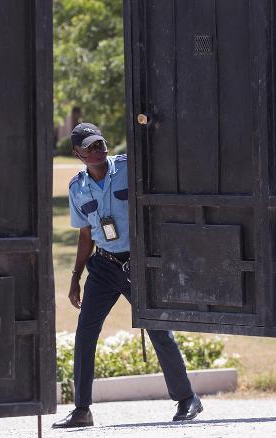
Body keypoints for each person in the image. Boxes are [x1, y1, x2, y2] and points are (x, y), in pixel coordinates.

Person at [52, 122, 203, 428]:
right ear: (78, 153)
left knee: (159, 330)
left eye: (101, 143)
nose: (99, 149)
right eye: (91, 146)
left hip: (137, 263)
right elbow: (85, 235)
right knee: (85, 334)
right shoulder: (76, 188)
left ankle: (187, 399)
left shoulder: (127, 169)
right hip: (104, 267)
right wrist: (75, 276)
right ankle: (82, 410)